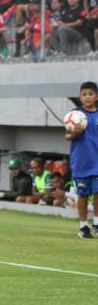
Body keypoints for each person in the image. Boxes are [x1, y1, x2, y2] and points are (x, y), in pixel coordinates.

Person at [65, 81, 98, 238]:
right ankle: (83, 227)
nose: (87, 97)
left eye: (90, 94)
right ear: (80, 96)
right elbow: (67, 136)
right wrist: (75, 134)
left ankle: (97, 223)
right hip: (81, 161)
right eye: (84, 94)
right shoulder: (75, 115)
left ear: (96, 96)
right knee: (83, 195)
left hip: (97, 160)